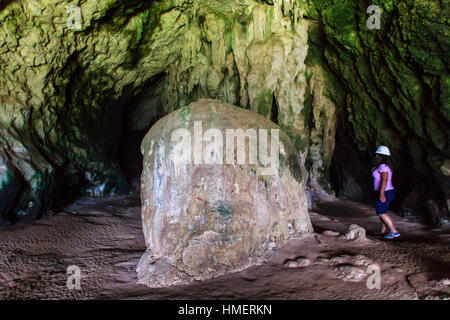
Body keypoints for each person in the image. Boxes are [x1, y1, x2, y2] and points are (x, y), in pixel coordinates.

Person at [372, 146, 399, 239]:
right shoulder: (385, 166)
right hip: (387, 191)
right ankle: (383, 231)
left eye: (377, 155)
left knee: (381, 212)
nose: (375, 156)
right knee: (382, 211)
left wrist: (381, 193)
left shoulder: (382, 166)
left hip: (385, 191)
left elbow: (384, 179)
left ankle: (394, 231)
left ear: (379, 155)